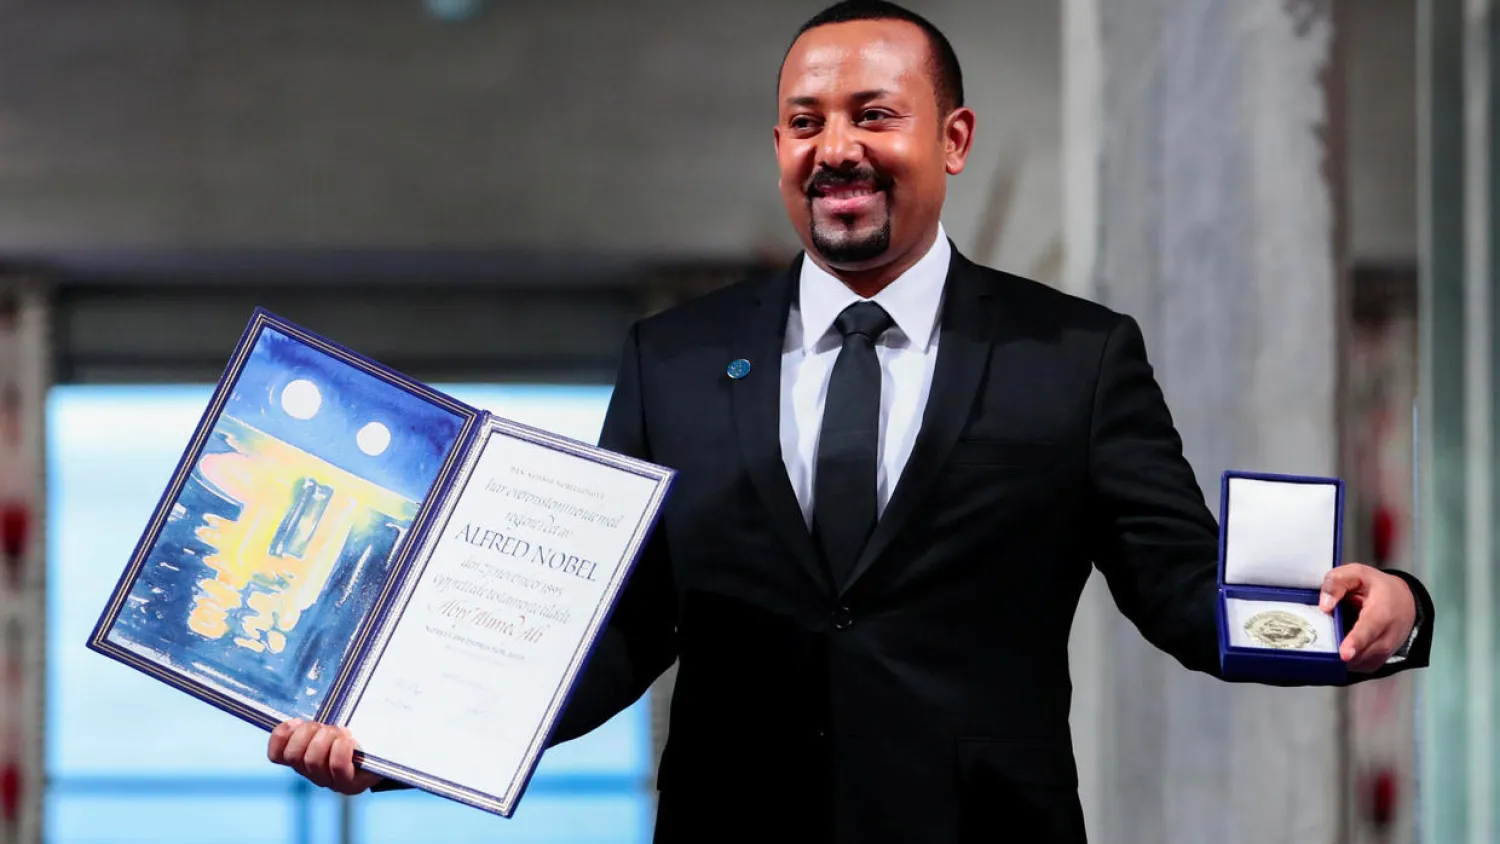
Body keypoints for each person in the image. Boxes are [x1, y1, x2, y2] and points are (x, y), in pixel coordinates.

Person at [267, 2, 1434, 841]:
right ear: (779, 146)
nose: (837, 148)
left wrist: (1379, 609)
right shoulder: (669, 358)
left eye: (875, 114)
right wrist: (398, 738)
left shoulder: (1076, 357)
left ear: (953, 139)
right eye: (805, 120)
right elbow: (616, 629)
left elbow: (1181, 588)